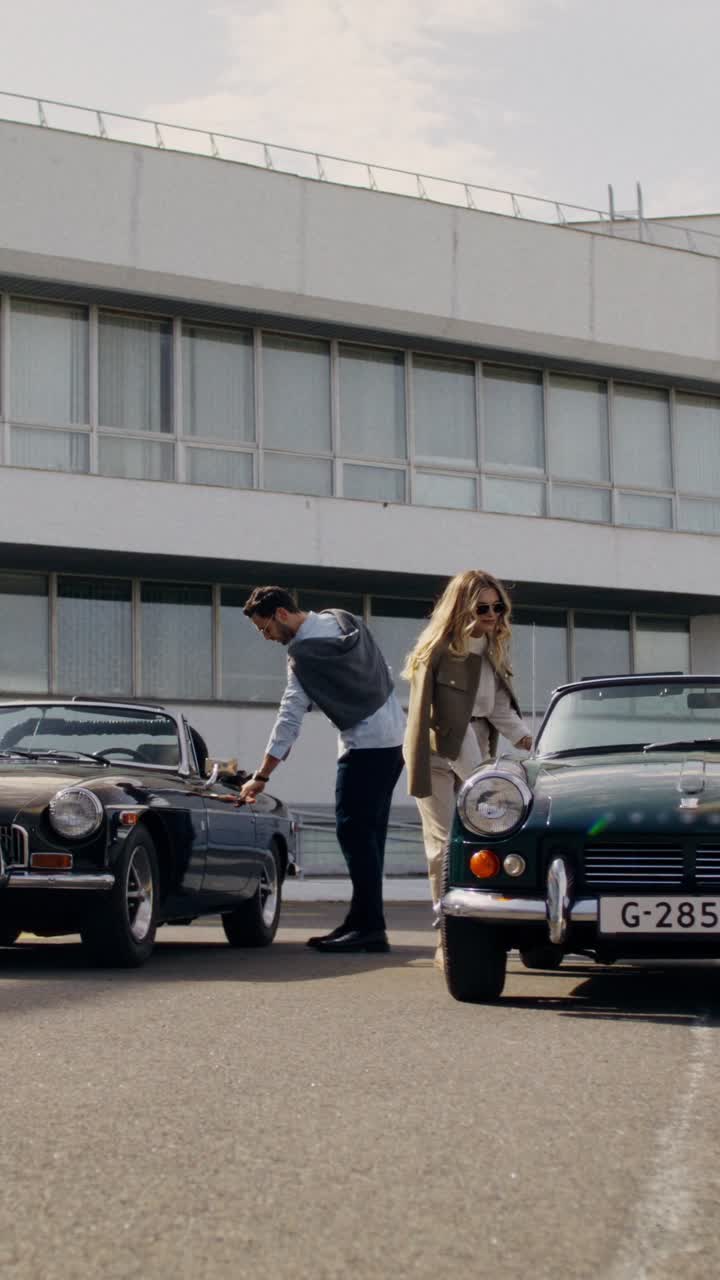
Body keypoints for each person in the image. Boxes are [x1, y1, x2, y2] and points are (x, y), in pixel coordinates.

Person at [239, 586, 405, 953]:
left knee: (353, 834)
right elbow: (384, 670)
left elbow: (291, 715)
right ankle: (361, 920)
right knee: (369, 837)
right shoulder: (343, 620)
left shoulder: (304, 654)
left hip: (365, 747)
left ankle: (370, 928)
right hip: (395, 739)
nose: (267, 638)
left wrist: (262, 775)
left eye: (265, 629)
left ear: (281, 614)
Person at [402, 570, 532, 968]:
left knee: (482, 844)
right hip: (438, 754)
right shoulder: (439, 649)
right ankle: (449, 936)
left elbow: (498, 711)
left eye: (498, 607)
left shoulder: (490, 648)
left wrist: (532, 744)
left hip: (475, 748)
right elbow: (442, 724)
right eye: (483, 607)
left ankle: (481, 930)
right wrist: (482, 780)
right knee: (444, 846)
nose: (493, 614)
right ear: (462, 607)